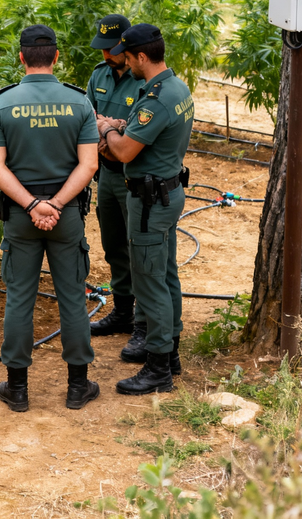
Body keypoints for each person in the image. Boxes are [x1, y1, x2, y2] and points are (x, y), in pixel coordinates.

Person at [0, 24, 99, 412]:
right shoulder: (80, 103)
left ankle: (17, 389)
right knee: (73, 298)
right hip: (66, 218)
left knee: (19, 298)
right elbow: (89, 165)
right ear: (56, 56)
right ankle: (78, 386)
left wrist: (33, 206)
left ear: (21, 57)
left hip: (20, 216)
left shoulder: (2, 105)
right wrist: (58, 204)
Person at [96, 24, 193, 395]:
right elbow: (144, 131)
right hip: (168, 194)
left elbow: (123, 152)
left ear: (140, 56)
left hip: (150, 201)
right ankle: (170, 356)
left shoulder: (156, 99)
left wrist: (105, 129)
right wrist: (121, 125)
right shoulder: (175, 87)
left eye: (128, 55)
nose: (124, 62)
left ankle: (157, 370)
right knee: (166, 275)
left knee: (150, 282)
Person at [86, 15, 148, 365]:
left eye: (112, 50)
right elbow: (87, 118)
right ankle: (123, 311)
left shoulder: (143, 80)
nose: (107, 55)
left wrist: (109, 131)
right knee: (113, 246)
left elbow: (133, 136)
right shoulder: (99, 75)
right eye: (104, 49)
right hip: (107, 174)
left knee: (138, 248)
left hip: (134, 175)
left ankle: (143, 323)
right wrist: (110, 130)